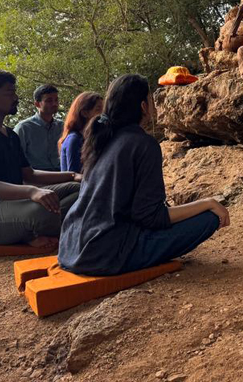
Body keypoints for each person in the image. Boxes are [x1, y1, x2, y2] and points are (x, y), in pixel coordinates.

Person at [58, 74, 230, 276]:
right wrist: (208, 203)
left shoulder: (101, 139)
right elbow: (151, 216)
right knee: (209, 218)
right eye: (150, 99)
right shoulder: (143, 144)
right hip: (103, 255)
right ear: (143, 106)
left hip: (70, 247)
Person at [0, 70, 82, 248]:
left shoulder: (10, 135)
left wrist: (72, 175)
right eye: (10, 93)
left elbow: (30, 174)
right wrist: (32, 192)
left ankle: (34, 229)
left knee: (82, 189)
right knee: (43, 213)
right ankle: (32, 232)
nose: (16, 97)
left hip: (11, 204)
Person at [15, 84, 63, 171]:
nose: (54, 104)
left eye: (56, 100)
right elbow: (16, 160)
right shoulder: (24, 128)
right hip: (36, 177)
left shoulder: (62, 126)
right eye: (49, 101)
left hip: (61, 173)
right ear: (37, 104)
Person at [59, 91, 104, 173]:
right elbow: (73, 174)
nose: (103, 113)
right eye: (98, 109)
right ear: (85, 113)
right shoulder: (74, 139)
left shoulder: (92, 138)